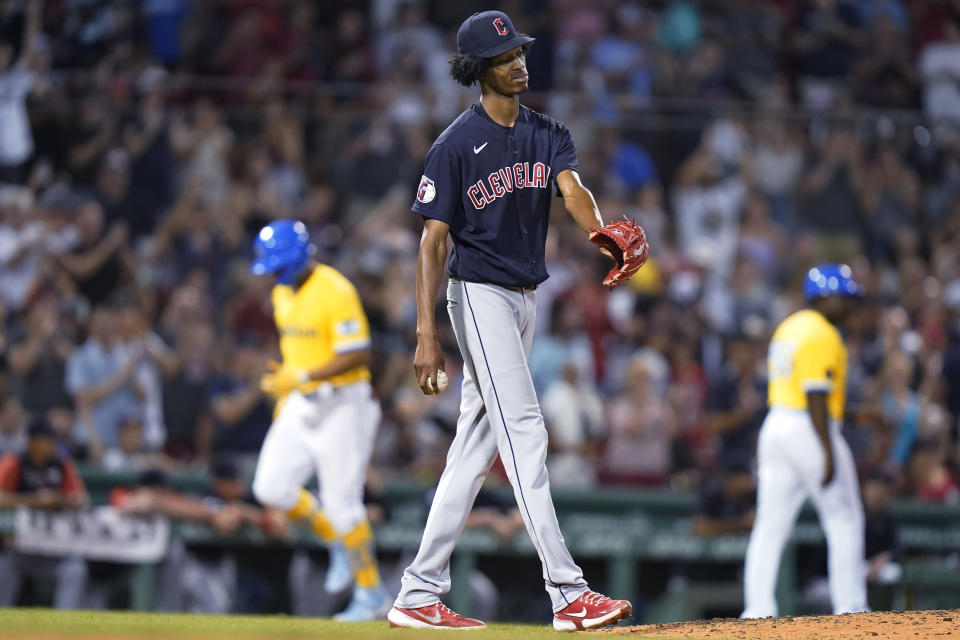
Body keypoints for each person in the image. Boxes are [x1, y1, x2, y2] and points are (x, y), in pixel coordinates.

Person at [390, 11, 635, 631]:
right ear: (480, 69)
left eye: (520, 52)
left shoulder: (546, 131)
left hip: (525, 300)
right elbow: (431, 245)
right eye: (504, 58)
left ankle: (418, 593)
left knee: (473, 450)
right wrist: (425, 337)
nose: (518, 63)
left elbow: (572, 189)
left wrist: (598, 230)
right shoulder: (453, 145)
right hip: (477, 296)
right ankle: (567, 591)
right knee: (526, 432)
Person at [248, 219, 388, 621]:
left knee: (343, 504)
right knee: (271, 488)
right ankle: (336, 543)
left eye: (277, 264)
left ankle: (370, 593)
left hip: (345, 402)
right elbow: (298, 350)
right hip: (301, 399)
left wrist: (305, 376)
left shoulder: (335, 290)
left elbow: (359, 352)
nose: (272, 274)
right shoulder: (281, 291)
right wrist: (291, 387)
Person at [742, 263, 868, 618]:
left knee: (770, 525)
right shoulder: (822, 332)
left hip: (777, 424)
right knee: (844, 517)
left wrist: (856, 414)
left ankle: (756, 609)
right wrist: (827, 448)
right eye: (844, 297)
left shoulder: (789, 326)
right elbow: (814, 394)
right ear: (826, 296)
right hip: (809, 427)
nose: (850, 304)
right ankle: (851, 607)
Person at [0, 417, 89, 609]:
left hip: (52, 547)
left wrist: (60, 499)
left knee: (74, 569)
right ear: (32, 441)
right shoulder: (15, 461)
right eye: (47, 440)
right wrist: (35, 501)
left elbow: (82, 499)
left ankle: (63, 630)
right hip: (16, 548)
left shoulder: (61, 464)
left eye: (54, 441)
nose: (52, 445)